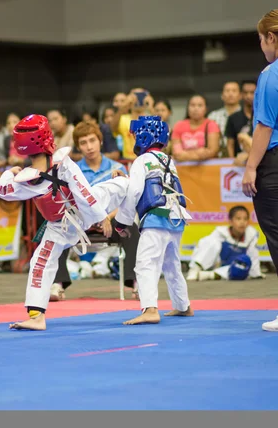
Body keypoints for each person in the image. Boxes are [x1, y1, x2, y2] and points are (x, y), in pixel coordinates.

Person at [0, 114, 129, 331]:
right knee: (118, 187)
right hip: (80, 214)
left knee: (41, 262)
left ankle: (36, 316)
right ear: (47, 138)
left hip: (62, 224)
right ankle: (36, 316)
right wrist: (99, 217)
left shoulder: (25, 180)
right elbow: (84, 192)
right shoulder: (62, 164)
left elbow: (2, 190)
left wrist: (8, 173)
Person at [114, 116, 193, 325]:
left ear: (143, 137)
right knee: (171, 264)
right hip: (176, 218)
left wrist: (122, 222)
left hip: (156, 218)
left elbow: (134, 192)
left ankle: (150, 309)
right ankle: (183, 305)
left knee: (145, 264)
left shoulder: (141, 161)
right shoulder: (168, 159)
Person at [50, 121, 139, 302]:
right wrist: (91, 217)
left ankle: (137, 282)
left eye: (92, 140)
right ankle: (58, 284)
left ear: (100, 141)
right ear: (78, 146)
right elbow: (67, 203)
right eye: (83, 143)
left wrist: (106, 217)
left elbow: (125, 202)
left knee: (132, 230)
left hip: (110, 219)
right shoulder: (71, 171)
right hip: (81, 220)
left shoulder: (117, 168)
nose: (89, 147)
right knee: (56, 228)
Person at [242, 9, 278, 332]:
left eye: (261, 40)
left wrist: (251, 166)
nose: (262, 47)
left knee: (277, 234)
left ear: (271, 38)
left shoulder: (271, 74)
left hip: (274, 163)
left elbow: (265, 127)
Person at [186, 206, 263, 281]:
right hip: (214, 264)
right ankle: (195, 269)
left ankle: (210, 275)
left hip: (229, 268)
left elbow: (253, 256)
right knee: (211, 242)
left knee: (242, 265)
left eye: (245, 219)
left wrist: (256, 274)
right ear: (230, 221)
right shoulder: (220, 232)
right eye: (238, 219)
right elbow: (205, 247)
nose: (242, 222)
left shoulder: (251, 236)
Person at [171, 95, 220, 161]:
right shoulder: (179, 125)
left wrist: (185, 155)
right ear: (188, 108)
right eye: (192, 105)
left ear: (206, 109)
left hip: (208, 168)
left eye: (200, 105)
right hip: (183, 168)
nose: (196, 108)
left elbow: (213, 151)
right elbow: (177, 153)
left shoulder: (212, 124)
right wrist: (199, 153)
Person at [110, 88, 155, 160]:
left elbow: (161, 132)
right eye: (134, 96)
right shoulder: (123, 118)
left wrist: (151, 108)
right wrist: (124, 105)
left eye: (141, 95)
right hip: (128, 160)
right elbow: (113, 128)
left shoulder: (151, 118)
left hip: (147, 159)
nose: (138, 99)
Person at [225, 80, 257, 162]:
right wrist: (231, 162)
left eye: (252, 92)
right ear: (241, 95)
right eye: (245, 93)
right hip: (239, 163)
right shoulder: (233, 117)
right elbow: (230, 144)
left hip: (260, 162)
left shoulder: (264, 116)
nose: (248, 96)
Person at [208, 82, 241, 156]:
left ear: (240, 95)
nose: (230, 94)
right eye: (227, 91)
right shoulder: (213, 116)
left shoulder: (246, 115)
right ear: (222, 96)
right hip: (218, 158)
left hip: (241, 158)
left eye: (234, 91)